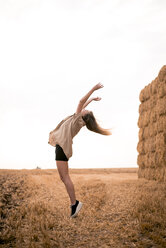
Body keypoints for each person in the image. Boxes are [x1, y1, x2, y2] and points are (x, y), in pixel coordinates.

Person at [48, 83, 112, 218]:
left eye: (86, 111)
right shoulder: (78, 119)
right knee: (63, 177)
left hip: (62, 148)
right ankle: (74, 204)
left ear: (84, 116)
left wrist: (93, 89)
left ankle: (74, 204)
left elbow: (81, 102)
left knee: (65, 177)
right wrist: (92, 100)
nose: (84, 109)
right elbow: (83, 105)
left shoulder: (78, 119)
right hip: (62, 147)